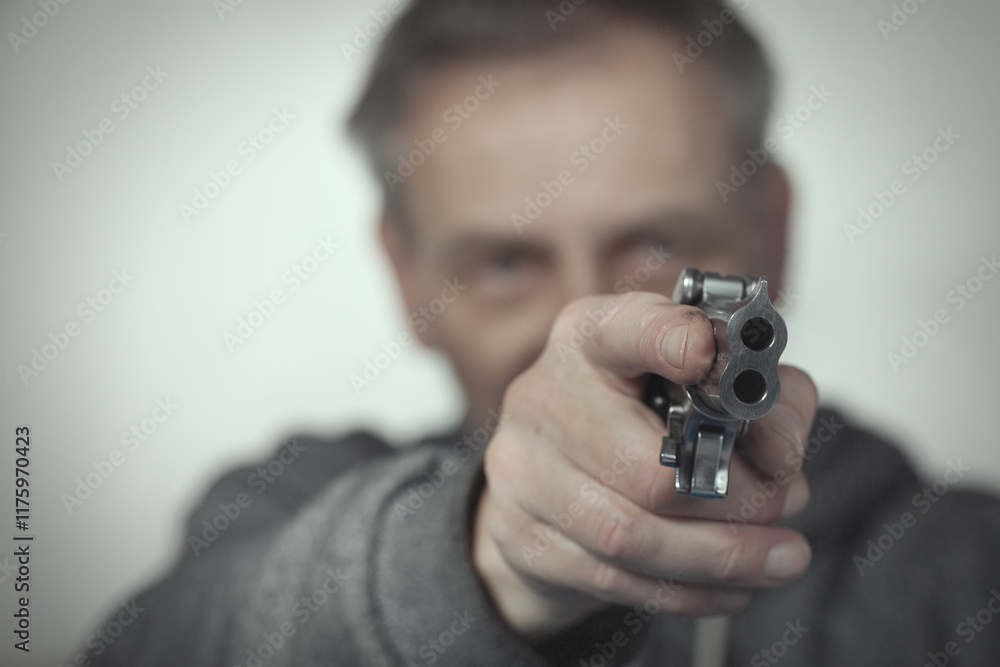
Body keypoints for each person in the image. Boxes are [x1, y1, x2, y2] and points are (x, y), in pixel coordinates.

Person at [81, 1, 1000, 665]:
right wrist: (477, 559)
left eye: (656, 243)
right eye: (505, 264)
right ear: (407, 277)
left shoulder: (961, 569)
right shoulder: (284, 503)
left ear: (775, 229)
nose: (585, 324)